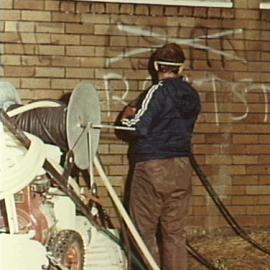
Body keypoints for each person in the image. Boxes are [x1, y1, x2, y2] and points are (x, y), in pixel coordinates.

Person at [120, 43, 201, 270]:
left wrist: (127, 116)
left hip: (153, 167)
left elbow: (137, 128)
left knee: (142, 231)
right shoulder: (192, 95)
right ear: (181, 68)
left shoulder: (157, 91)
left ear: (156, 66)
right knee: (174, 233)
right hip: (182, 167)